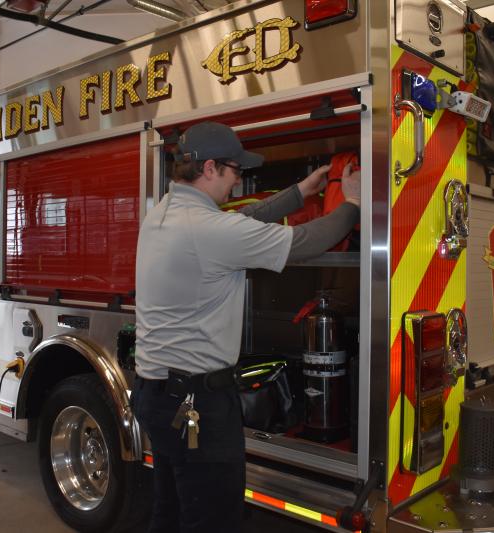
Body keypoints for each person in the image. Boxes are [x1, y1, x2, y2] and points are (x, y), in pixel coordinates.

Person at [132, 121, 360, 533]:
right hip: (196, 405)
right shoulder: (210, 230)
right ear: (210, 168)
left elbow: (243, 219)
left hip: (158, 396)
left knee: (169, 511)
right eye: (236, 170)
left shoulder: (163, 214)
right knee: (212, 520)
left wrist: (298, 193)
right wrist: (353, 203)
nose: (239, 180)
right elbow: (309, 240)